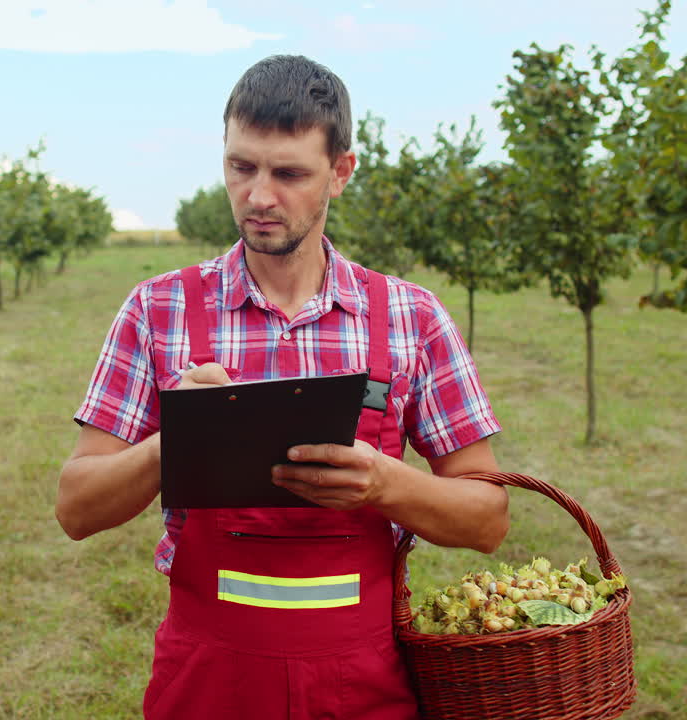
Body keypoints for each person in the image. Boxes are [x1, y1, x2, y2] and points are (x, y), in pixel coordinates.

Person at [57, 54, 508, 720]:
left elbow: (489, 519)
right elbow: (76, 509)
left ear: (341, 172)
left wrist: (384, 484)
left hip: (362, 688)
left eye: (289, 173)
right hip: (210, 685)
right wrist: (180, 436)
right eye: (241, 167)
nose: (259, 196)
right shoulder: (159, 309)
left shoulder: (410, 318)